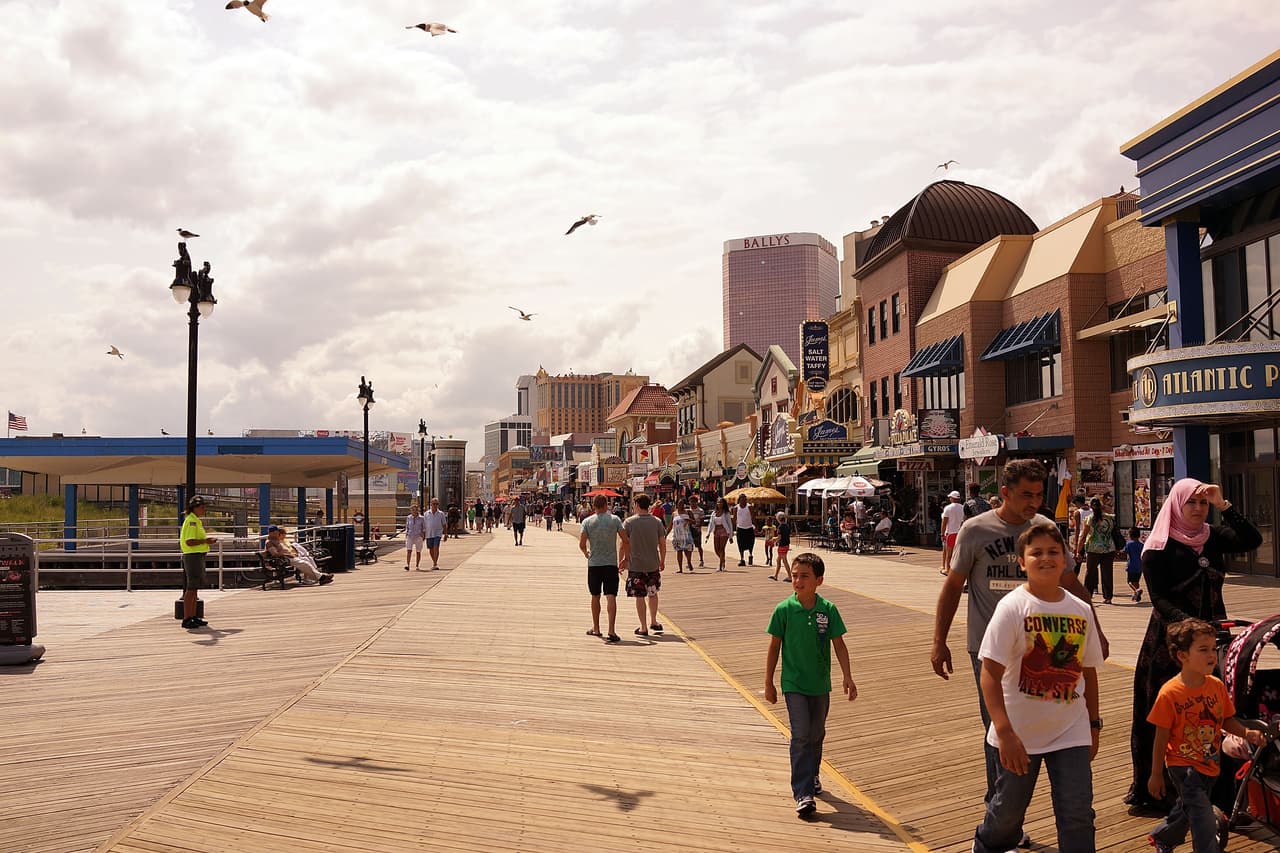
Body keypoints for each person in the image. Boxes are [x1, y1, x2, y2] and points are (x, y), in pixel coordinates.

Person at [932, 458, 1105, 845]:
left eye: (1039, 494)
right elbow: (952, 588)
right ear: (1005, 492)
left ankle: (1004, 814)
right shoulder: (976, 530)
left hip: (1049, 647)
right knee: (1000, 734)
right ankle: (1004, 814)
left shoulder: (1044, 532)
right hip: (993, 654)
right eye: (1026, 494)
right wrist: (939, 640)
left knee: (1069, 801)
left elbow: (1072, 584)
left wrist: (1098, 628)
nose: (1034, 501)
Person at [1125, 478, 1261, 812]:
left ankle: (1215, 790)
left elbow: (1251, 539)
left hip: (1214, 639)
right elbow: (1159, 599)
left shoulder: (1212, 537)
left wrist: (1223, 504)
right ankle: (1158, 789)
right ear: (1176, 504)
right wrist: (1192, 631)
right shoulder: (1158, 546)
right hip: (1170, 643)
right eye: (1193, 503)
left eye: (1203, 504)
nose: (1199, 509)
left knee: (1214, 711)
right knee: (1166, 714)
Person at [971, 523, 1103, 853]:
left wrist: (1093, 724)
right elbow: (990, 672)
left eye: (1053, 552)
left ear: (1066, 559)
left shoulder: (1081, 609)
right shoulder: (1013, 607)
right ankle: (986, 846)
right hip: (1018, 731)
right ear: (1022, 561)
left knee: (1077, 813)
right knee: (1007, 813)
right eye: (1036, 553)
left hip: (1070, 729)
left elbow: (1088, 670)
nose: (1046, 558)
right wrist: (1003, 731)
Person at [1146, 619, 1266, 853]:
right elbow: (1160, 737)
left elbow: (1227, 720)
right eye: (1203, 650)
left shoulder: (1216, 686)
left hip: (1209, 763)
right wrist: (1155, 774)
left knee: (1188, 808)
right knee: (1202, 815)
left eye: (1213, 648)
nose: (1211, 654)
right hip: (1182, 764)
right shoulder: (1170, 693)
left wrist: (1247, 732)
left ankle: (1164, 836)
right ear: (1182, 655)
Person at [764, 552, 857, 816]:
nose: (798, 581)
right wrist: (769, 682)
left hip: (820, 684)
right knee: (801, 734)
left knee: (816, 734)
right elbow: (774, 647)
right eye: (794, 576)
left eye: (804, 576)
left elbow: (839, 644)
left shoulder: (827, 610)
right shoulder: (783, 610)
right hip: (793, 683)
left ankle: (813, 775)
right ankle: (803, 792)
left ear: (819, 580)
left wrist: (847, 676)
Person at [580, 495, 627, 644]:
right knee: (611, 595)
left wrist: (586, 553)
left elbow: (582, 544)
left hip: (594, 564)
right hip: (611, 564)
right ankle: (611, 631)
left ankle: (596, 628)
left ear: (593, 506)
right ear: (606, 505)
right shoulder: (615, 520)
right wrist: (625, 558)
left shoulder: (587, 522)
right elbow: (625, 540)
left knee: (595, 596)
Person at [619, 494, 666, 638]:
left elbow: (623, 544)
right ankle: (654, 621)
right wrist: (662, 560)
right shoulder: (657, 522)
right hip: (652, 564)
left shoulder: (629, 522)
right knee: (653, 593)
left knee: (639, 596)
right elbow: (662, 544)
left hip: (636, 566)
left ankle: (643, 627)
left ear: (638, 505)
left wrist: (621, 560)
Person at [179, 495, 215, 630]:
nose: (203, 509)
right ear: (194, 508)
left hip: (197, 555)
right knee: (191, 587)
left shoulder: (195, 520)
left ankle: (192, 616)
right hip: (192, 555)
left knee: (195, 587)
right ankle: (187, 617)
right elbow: (189, 541)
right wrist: (206, 541)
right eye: (201, 506)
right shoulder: (191, 521)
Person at [1078, 497, 1120, 604]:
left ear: (1091, 506)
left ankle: (1088, 595)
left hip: (1093, 548)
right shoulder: (1110, 518)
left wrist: (1078, 550)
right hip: (1109, 548)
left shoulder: (1089, 518)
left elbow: (1083, 536)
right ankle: (1108, 597)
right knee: (1107, 573)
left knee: (1090, 572)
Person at [264, 526, 334, 585]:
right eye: (276, 532)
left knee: (306, 561)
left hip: (288, 558)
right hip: (283, 560)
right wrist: (288, 554)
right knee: (304, 563)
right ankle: (321, 577)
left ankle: (320, 577)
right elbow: (275, 554)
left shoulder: (276, 540)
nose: (278, 534)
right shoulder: (269, 542)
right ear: (272, 533)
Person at [940, 490, 967, 576]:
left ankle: (948, 569)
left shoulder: (948, 508)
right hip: (960, 533)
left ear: (952, 498)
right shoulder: (963, 507)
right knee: (960, 554)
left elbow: (944, 522)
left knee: (949, 554)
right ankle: (961, 570)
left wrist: (942, 533)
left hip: (951, 533)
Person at [422, 497, 448, 569]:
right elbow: (424, 525)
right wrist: (423, 534)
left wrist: (445, 534)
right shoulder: (426, 514)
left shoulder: (441, 514)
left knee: (436, 547)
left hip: (438, 533)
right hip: (429, 534)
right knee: (431, 549)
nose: (435, 505)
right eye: (434, 504)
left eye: (437, 504)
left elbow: (444, 524)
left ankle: (435, 563)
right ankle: (434, 561)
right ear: (431, 504)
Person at [708, 497, 733, 571]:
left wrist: (730, 535)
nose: (719, 504)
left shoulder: (726, 513)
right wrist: (708, 533)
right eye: (718, 502)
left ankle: (720, 565)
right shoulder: (714, 513)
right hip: (716, 531)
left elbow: (730, 524)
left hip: (724, 531)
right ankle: (723, 560)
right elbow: (711, 523)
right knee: (716, 549)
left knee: (722, 548)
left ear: (724, 503)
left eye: (721, 502)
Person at [671, 499, 695, 573]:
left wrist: (688, 520)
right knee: (679, 551)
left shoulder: (688, 512)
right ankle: (680, 569)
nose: (681, 505)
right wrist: (666, 534)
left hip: (686, 534)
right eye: (679, 503)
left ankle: (689, 561)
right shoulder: (674, 513)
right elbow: (670, 525)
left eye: (682, 504)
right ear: (677, 505)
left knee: (688, 550)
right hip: (677, 535)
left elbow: (694, 522)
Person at [733, 494, 756, 566]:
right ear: (739, 500)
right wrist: (732, 529)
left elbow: (753, 517)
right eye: (741, 499)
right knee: (740, 544)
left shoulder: (749, 507)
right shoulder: (736, 508)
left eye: (744, 499)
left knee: (751, 542)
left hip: (749, 527)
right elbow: (734, 519)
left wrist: (756, 526)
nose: (743, 501)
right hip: (740, 528)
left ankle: (750, 555)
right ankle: (742, 559)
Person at [403, 504, 427, 571]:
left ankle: (417, 565)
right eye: (412, 510)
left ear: (418, 510)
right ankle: (407, 565)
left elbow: (424, 527)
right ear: (410, 510)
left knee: (418, 551)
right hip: (410, 535)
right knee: (409, 550)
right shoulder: (409, 517)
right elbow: (407, 526)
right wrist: (406, 533)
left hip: (418, 536)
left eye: (415, 509)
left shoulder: (421, 518)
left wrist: (423, 535)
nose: (414, 511)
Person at [1124, 527, 1145, 602]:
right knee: (1136, 581)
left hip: (1131, 565)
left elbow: (1125, 552)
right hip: (1139, 566)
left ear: (1130, 535)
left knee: (1130, 582)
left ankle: (1137, 590)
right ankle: (1136, 595)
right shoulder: (1142, 545)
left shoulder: (1129, 544)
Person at [771, 511, 793, 581]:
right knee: (778, 560)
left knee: (784, 561)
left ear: (778, 519)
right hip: (786, 544)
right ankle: (776, 576)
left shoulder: (780, 527)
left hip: (782, 545)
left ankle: (790, 576)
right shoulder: (787, 526)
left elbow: (779, 537)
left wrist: (774, 539)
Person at [687, 494, 706, 568]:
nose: (692, 503)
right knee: (689, 547)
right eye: (691, 502)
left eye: (693, 502)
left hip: (697, 530)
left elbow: (702, 521)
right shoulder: (688, 511)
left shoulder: (700, 511)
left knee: (699, 546)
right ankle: (689, 562)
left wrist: (698, 527)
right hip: (689, 530)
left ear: (696, 502)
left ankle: (701, 560)